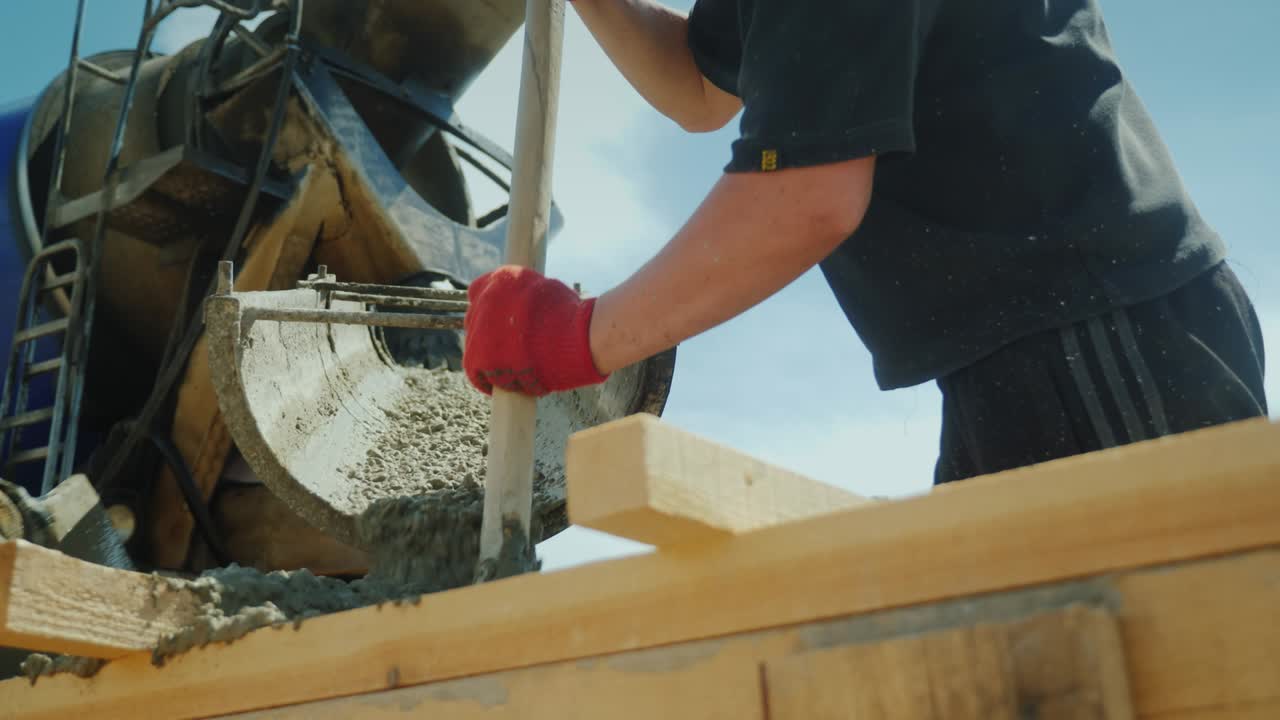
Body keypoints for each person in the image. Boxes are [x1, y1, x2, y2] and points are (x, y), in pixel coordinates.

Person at [462, 0, 1268, 484]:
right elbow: (703, 91)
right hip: (1034, 354)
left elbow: (807, 198)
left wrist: (571, 339)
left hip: (1096, 335)